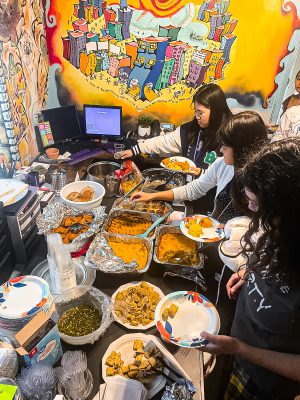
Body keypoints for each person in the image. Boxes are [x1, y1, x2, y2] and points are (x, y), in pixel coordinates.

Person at [201, 138, 300, 400]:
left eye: (257, 205)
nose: (251, 211)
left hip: (263, 382)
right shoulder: (281, 231)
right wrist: (249, 273)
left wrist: (241, 349)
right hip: (237, 347)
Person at [131, 111, 268, 223]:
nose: (220, 150)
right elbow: (193, 189)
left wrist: (230, 231)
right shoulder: (222, 165)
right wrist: (152, 196)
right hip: (215, 232)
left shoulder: (264, 182)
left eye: (226, 147)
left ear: (242, 149)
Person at [121, 83, 232, 173]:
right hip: (188, 192)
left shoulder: (230, 134)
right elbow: (164, 142)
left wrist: (200, 173)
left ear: (215, 111)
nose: (197, 117)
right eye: (195, 112)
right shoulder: (190, 129)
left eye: (200, 113)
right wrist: (136, 149)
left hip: (211, 197)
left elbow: (229, 176)